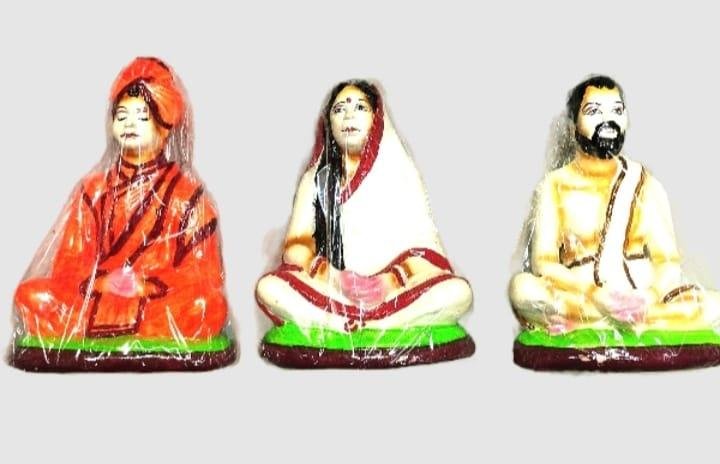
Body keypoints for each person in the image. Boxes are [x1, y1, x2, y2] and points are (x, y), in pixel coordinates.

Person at [14, 57, 230, 350]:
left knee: (206, 306)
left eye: (142, 116)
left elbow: (202, 275)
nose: (129, 124)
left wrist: (144, 285)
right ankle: (133, 329)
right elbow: (68, 264)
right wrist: (103, 282)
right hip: (97, 295)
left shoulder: (188, 196)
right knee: (30, 297)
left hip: (155, 299)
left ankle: (115, 329)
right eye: (122, 115)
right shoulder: (93, 190)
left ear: (166, 126)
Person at [256, 80, 472, 338]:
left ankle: (373, 323)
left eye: (360, 107)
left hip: (393, 292)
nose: (348, 115)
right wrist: (336, 279)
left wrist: (389, 282)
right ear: (329, 123)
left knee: (458, 293)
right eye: (339, 109)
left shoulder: (401, 174)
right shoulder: (315, 180)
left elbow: (428, 254)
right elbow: (296, 249)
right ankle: (356, 321)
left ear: (376, 118)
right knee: (270, 288)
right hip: (332, 290)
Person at [509, 75, 720, 335]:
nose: (608, 120)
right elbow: (544, 263)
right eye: (594, 111)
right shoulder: (554, 186)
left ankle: (604, 323)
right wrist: (596, 295)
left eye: (617, 111)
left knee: (714, 305)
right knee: (522, 289)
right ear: (574, 124)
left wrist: (649, 297)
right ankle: (621, 323)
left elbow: (667, 261)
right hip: (584, 297)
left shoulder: (644, 183)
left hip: (642, 300)